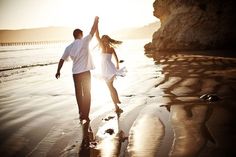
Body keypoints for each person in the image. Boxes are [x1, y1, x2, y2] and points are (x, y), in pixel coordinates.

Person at [55, 16, 99, 122]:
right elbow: (93, 30)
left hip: (75, 73)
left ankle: (81, 112)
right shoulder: (85, 41)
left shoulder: (69, 47)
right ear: (80, 34)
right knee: (87, 92)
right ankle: (86, 114)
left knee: (78, 93)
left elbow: (61, 60)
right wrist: (96, 20)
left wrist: (58, 71)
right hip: (85, 72)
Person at [95, 24, 126, 114]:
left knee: (110, 87)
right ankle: (116, 105)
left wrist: (117, 65)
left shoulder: (110, 49)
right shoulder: (103, 48)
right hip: (105, 70)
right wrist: (96, 24)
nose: (104, 42)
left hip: (110, 69)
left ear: (108, 41)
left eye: (106, 41)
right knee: (110, 87)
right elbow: (97, 36)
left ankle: (117, 101)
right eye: (103, 41)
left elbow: (116, 58)